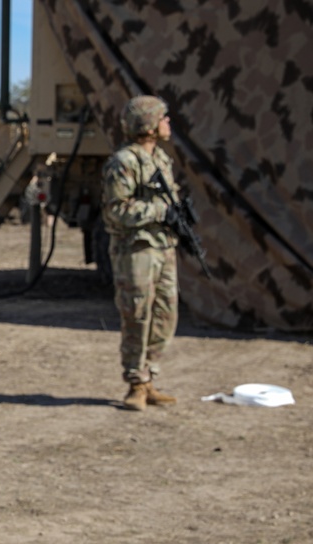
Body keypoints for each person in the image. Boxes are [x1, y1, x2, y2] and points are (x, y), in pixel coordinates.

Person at [101, 95, 180, 411]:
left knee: (165, 314)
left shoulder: (160, 159)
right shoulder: (124, 162)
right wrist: (160, 210)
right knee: (137, 314)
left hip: (162, 248)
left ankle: (150, 377)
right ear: (148, 124)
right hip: (137, 250)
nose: (168, 123)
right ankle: (135, 382)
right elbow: (116, 210)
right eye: (163, 117)